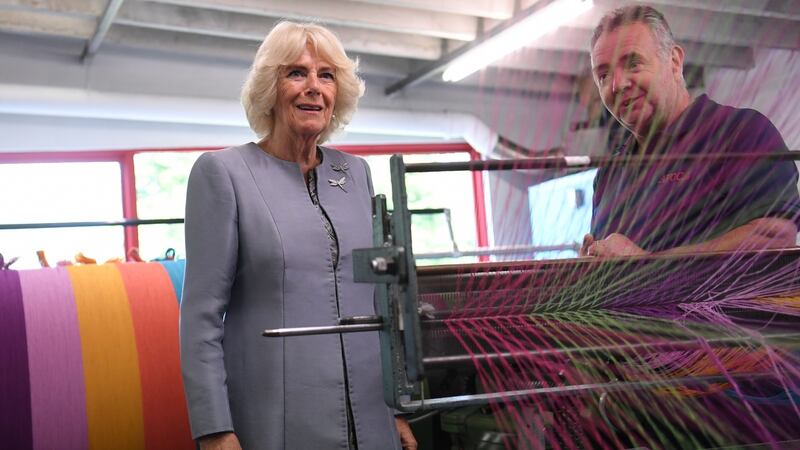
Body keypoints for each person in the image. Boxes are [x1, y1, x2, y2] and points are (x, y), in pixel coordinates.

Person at [180, 22, 416, 450]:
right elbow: (201, 318)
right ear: (270, 88)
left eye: (326, 75)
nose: (314, 87)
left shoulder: (356, 172)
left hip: (370, 415)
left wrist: (395, 409)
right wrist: (213, 428)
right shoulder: (223, 174)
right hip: (275, 417)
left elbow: (378, 301)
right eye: (296, 73)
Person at [580, 5, 800, 257]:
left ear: (674, 61)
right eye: (604, 76)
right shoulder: (610, 174)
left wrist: (646, 266)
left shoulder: (741, 133)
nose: (617, 85)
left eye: (633, 64)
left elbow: (774, 238)